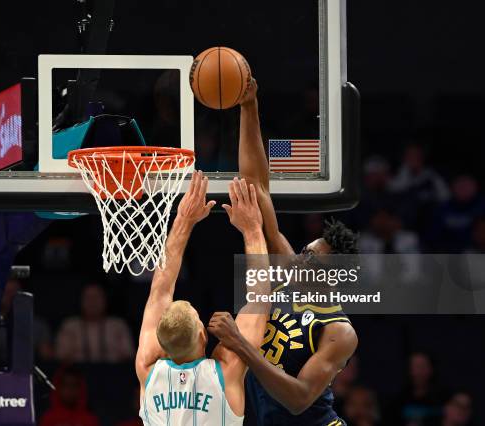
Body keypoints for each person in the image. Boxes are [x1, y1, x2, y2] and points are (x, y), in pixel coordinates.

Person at [207, 80, 358, 425]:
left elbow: (299, 399)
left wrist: (240, 344)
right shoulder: (289, 272)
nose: (300, 258)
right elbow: (258, 189)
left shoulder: (339, 331)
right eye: (305, 251)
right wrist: (249, 106)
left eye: (310, 259)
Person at [135, 171, 270, 425]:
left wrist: (184, 221)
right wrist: (251, 229)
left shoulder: (148, 368)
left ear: (161, 344)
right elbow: (260, 298)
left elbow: (160, 290)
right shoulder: (224, 371)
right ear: (202, 335)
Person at [56, 283, 135, 363]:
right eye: (88, 298)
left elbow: (129, 355)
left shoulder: (118, 325)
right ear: (81, 301)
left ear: (105, 300)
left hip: (114, 373)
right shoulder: (69, 326)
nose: (92, 302)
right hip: (77, 373)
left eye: (97, 297)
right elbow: (61, 356)